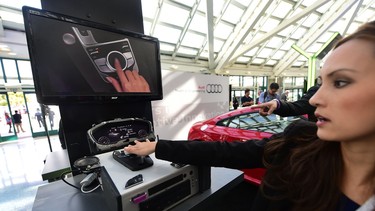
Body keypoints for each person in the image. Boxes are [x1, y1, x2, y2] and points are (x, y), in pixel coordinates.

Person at [124, 21, 375, 210]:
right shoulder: (299, 144)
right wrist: (158, 147)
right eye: (321, 83)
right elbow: (226, 152)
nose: (315, 99)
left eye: (341, 82)